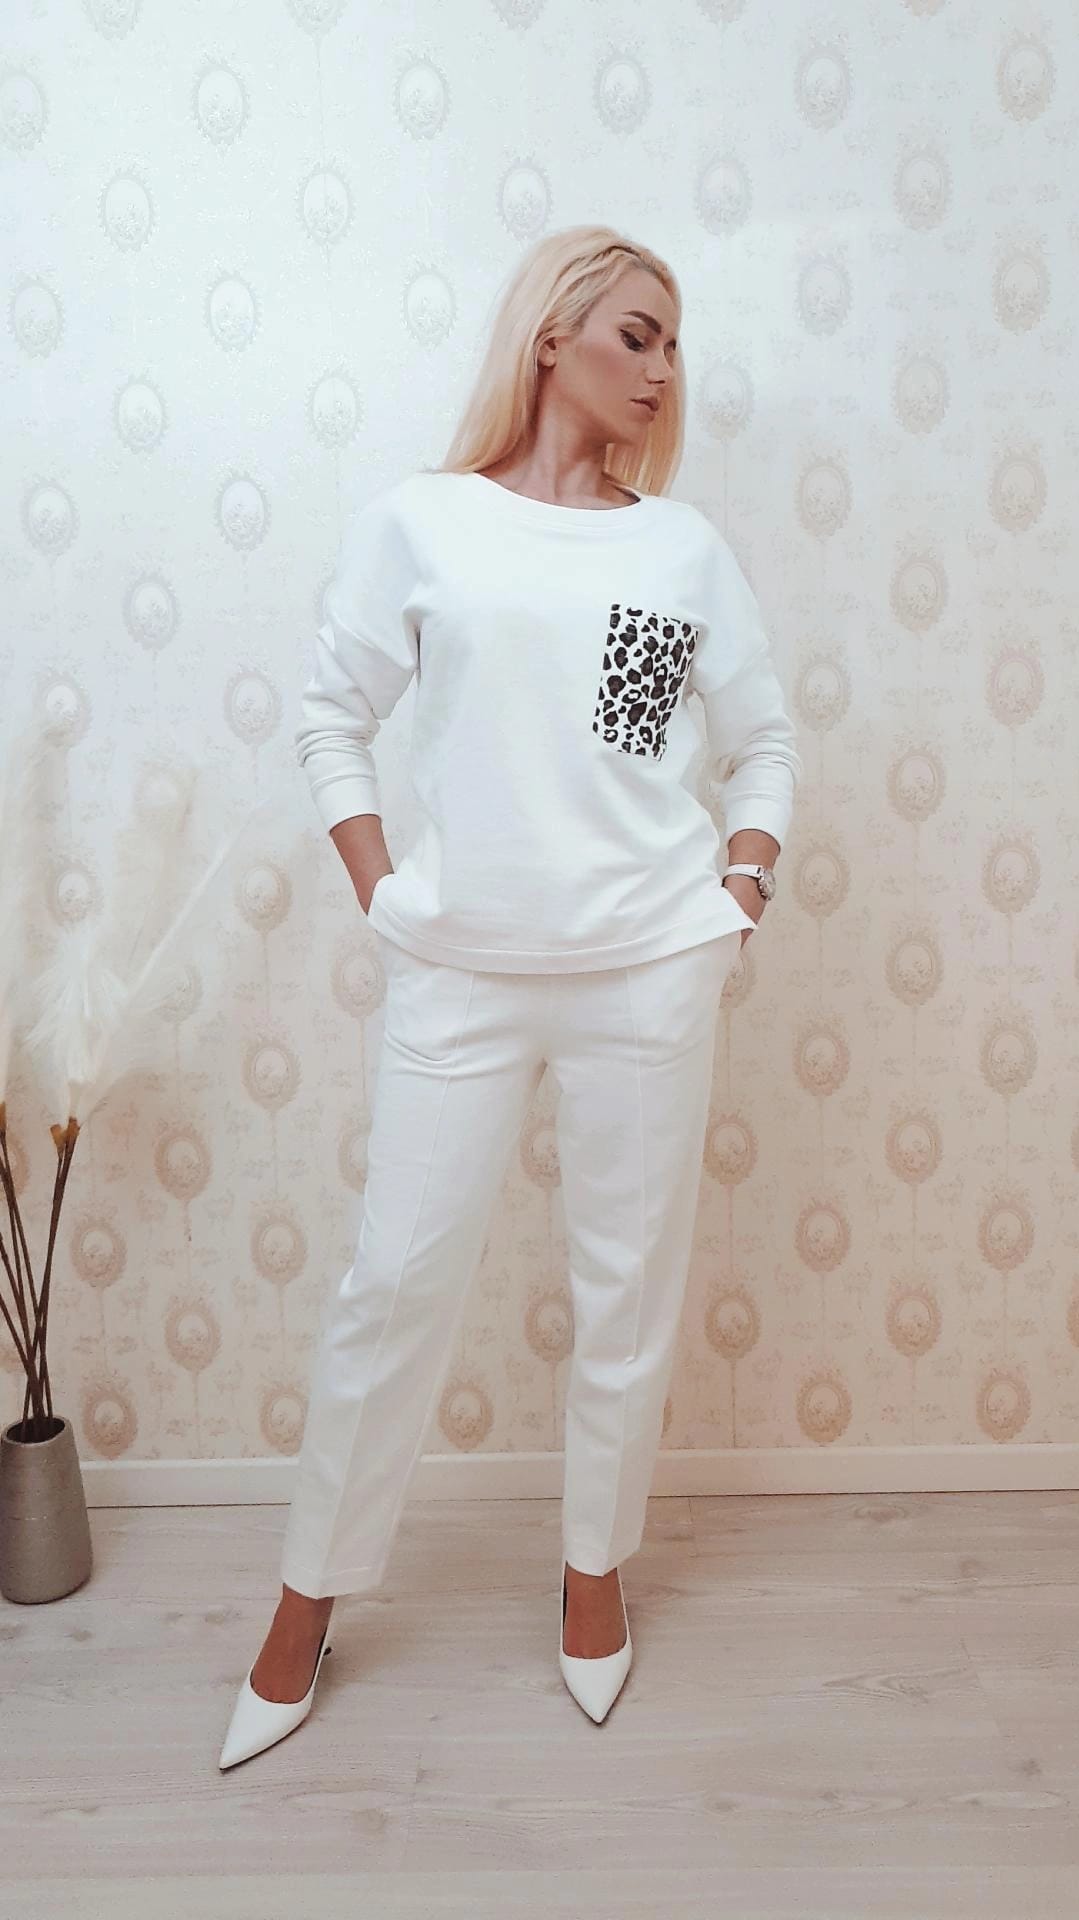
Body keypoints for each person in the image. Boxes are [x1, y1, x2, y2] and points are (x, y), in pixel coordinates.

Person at [219, 222, 802, 1767]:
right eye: (635, 334)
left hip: (648, 974)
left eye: (673, 345)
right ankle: (305, 1598)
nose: (661, 370)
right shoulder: (426, 523)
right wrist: (384, 889)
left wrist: (738, 892)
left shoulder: (675, 552)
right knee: (392, 1287)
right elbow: (332, 716)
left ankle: (592, 1571)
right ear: (552, 336)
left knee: (626, 1290)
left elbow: (744, 744)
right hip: (460, 978)